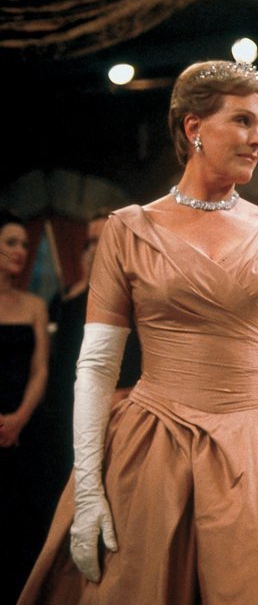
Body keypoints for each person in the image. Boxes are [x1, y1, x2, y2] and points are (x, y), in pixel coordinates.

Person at [18, 60, 258, 604]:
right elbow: (98, 366)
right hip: (155, 447)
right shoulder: (128, 230)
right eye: (243, 121)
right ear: (193, 127)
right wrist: (87, 486)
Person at [38, 209, 142, 516]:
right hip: (69, 411)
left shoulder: (140, 298)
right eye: (91, 242)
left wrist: (127, 395)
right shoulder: (69, 299)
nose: (96, 249)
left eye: (103, 240)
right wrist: (86, 284)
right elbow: (60, 363)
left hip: (121, 412)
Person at [1, 209, 50, 603]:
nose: (20, 250)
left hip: (25, 426)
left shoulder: (34, 304)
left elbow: (40, 368)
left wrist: (19, 418)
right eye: (11, 243)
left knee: (20, 525)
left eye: (23, 243)